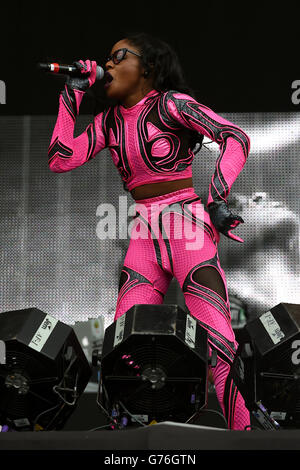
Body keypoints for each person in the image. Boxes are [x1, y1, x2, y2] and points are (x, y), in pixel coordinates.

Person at [48, 32, 251, 430]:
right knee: (124, 343)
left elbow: (235, 137)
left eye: (119, 56)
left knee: (220, 342)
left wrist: (217, 197)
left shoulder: (170, 104)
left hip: (187, 224)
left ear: (149, 68)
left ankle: (243, 435)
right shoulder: (107, 121)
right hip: (144, 231)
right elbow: (60, 159)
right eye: (106, 58)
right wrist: (72, 95)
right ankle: (123, 434)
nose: (107, 64)